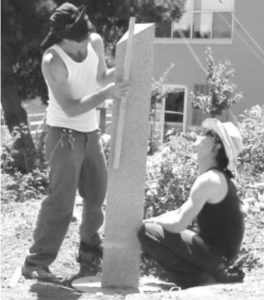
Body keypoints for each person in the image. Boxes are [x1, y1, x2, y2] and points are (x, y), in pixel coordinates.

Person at [22, 2, 130, 282]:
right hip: (63, 135)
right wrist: (108, 94)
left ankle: (89, 254)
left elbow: (101, 77)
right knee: (61, 202)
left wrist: (127, 69)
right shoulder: (53, 61)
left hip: (90, 132)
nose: (85, 45)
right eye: (78, 42)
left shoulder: (93, 41)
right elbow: (70, 108)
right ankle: (36, 262)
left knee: (96, 194)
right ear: (63, 38)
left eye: (87, 38)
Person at [138, 118, 245, 289]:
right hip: (219, 257)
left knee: (147, 231)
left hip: (216, 258)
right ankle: (202, 276)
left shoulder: (210, 180)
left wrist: (150, 223)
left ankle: (196, 279)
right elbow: (180, 212)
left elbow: (178, 224)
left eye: (208, 134)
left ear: (216, 147)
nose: (200, 135)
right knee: (151, 226)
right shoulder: (215, 177)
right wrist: (154, 219)